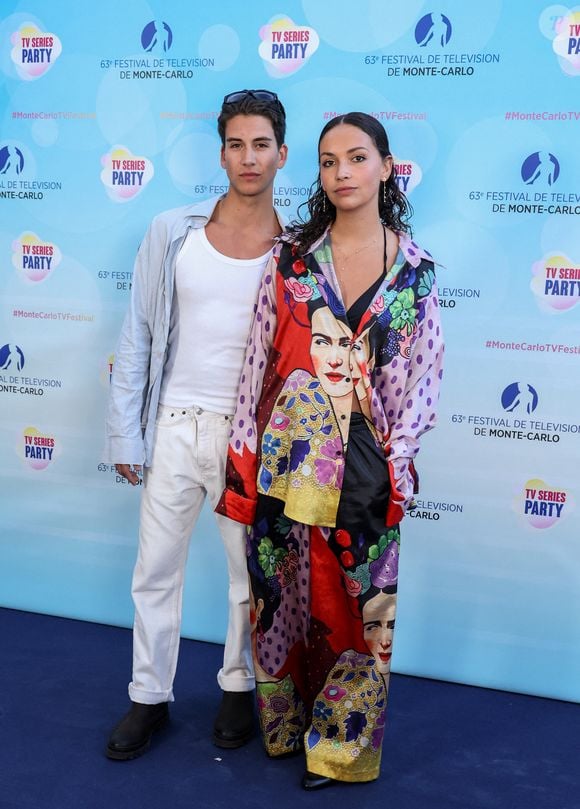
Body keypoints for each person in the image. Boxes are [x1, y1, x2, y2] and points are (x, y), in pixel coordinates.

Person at [217, 112, 443, 788]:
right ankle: (287, 728)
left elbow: (422, 378)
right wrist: (242, 456)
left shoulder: (415, 273)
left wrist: (397, 466)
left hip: (368, 472)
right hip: (287, 464)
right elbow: (258, 357)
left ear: (385, 165)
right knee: (279, 599)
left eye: (355, 157)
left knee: (358, 610)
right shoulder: (290, 258)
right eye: (327, 161)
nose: (341, 172)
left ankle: (339, 749)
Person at [103, 89, 288, 760]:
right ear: (222, 151)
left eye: (260, 144)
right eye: (236, 144)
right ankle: (148, 695)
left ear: (281, 154)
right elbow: (139, 334)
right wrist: (128, 432)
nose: (248, 157)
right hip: (175, 425)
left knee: (249, 576)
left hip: (252, 438)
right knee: (154, 568)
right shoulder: (172, 230)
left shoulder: (296, 246)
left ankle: (239, 685)